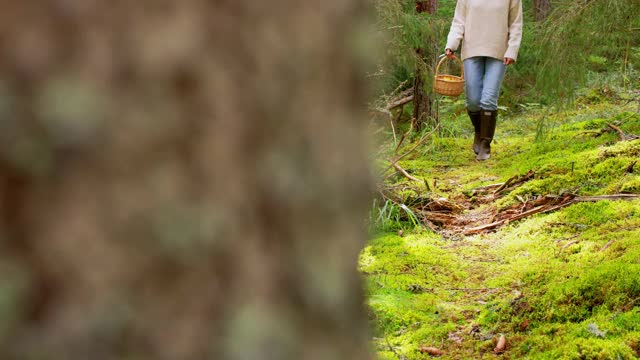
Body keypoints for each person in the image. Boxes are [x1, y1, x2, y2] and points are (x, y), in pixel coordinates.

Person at [445, 0, 523, 160]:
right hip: (472, 48)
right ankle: (480, 132)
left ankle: (485, 143)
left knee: (488, 98)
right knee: (473, 100)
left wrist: (512, 49)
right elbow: (459, 20)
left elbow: (516, 23)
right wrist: (452, 43)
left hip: (499, 51)